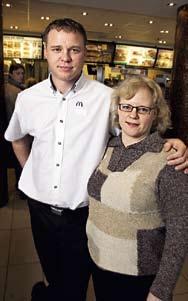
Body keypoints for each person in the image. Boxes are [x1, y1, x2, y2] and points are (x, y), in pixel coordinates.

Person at [4, 18, 188, 301]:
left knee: (77, 283)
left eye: (74, 50)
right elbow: (17, 137)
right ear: (45, 51)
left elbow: (132, 135)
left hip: (84, 214)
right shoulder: (28, 98)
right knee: (53, 273)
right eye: (57, 49)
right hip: (39, 210)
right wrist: (32, 171)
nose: (65, 57)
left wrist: (168, 144)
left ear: (85, 52)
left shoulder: (107, 98)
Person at [86, 76, 188, 301]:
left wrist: (160, 291)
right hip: (100, 264)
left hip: (139, 277)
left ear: (155, 114)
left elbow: (180, 233)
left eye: (143, 109)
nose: (133, 114)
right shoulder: (108, 147)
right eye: (127, 106)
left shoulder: (170, 161)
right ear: (118, 110)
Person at [5, 63, 26, 199]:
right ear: (11, 74)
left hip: (9, 130)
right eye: (18, 73)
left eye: (22, 73)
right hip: (16, 132)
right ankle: (22, 190)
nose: (21, 76)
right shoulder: (16, 92)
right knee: (20, 162)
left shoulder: (11, 89)